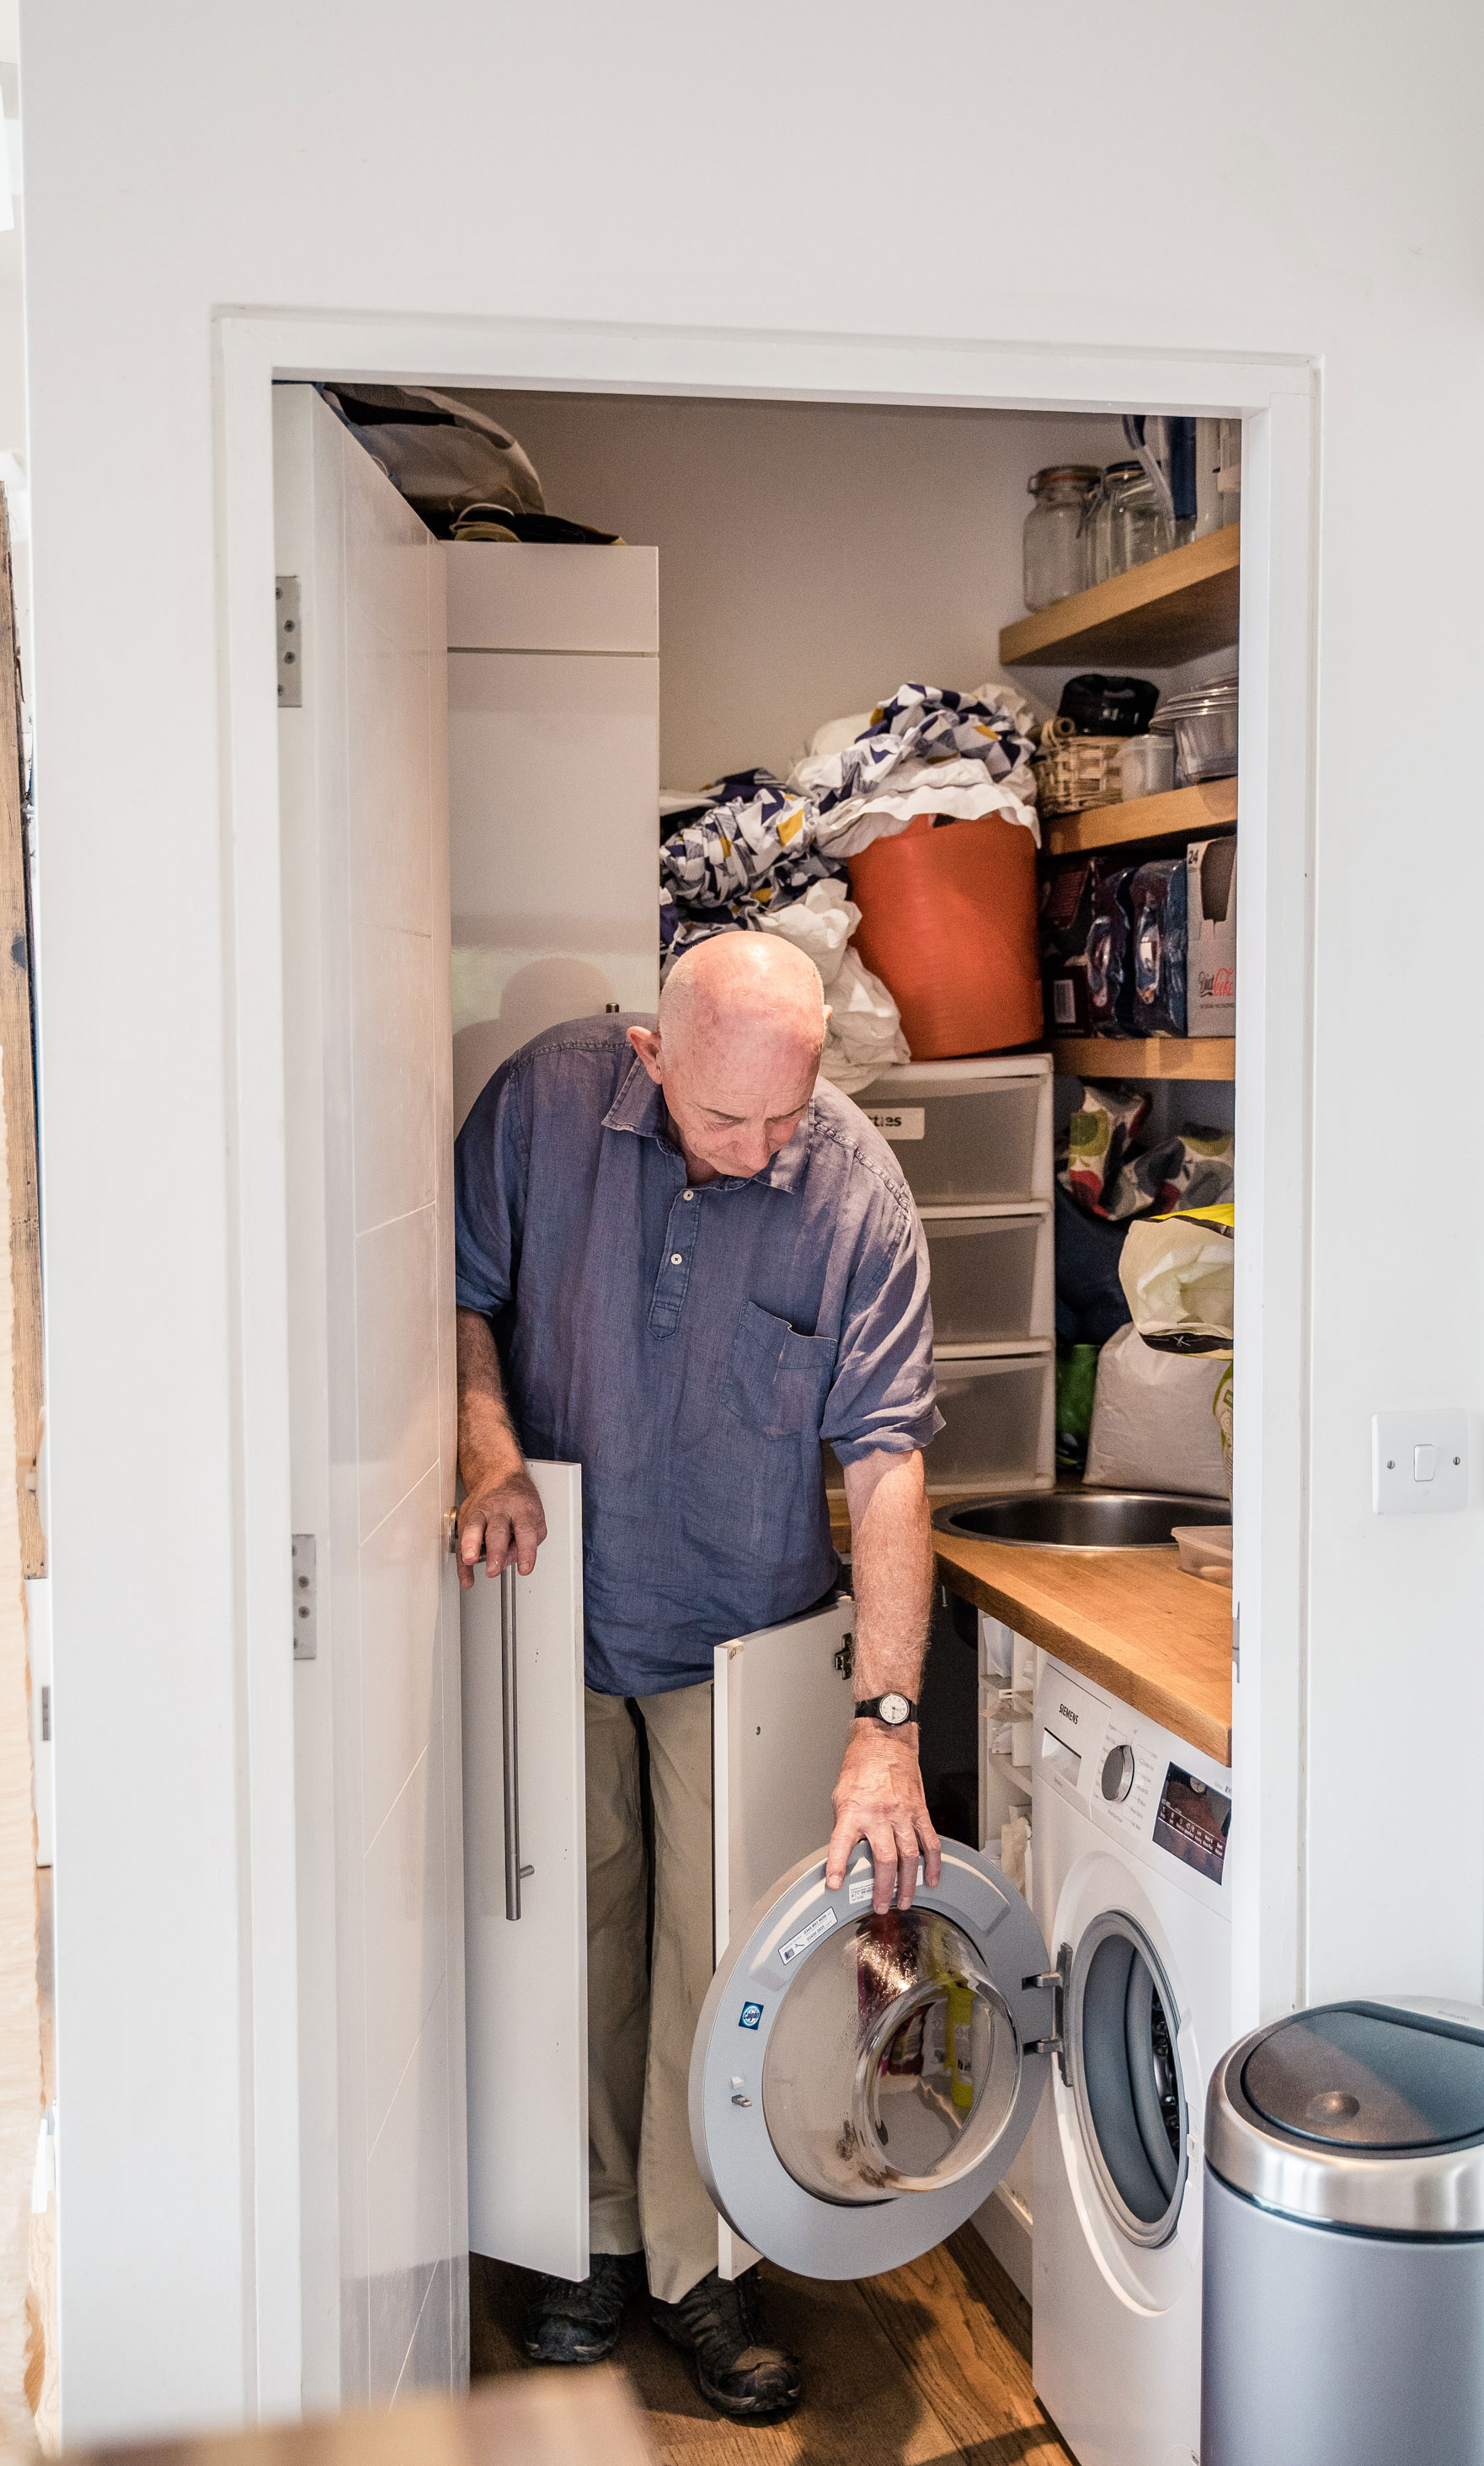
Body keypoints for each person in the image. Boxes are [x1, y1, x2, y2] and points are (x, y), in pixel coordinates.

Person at [453, 931, 941, 2421]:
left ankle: (699, 2267)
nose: (760, 1148)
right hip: (557, 1608)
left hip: (744, 1636)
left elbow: (890, 1465)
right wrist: (487, 1451)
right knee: (583, 1941)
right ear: (651, 1054)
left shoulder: (854, 1191)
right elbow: (456, 1296)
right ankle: (595, 2241)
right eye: (726, 1116)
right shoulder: (543, 1105)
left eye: (788, 1112)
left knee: (724, 1969)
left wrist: (888, 1726)